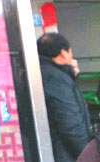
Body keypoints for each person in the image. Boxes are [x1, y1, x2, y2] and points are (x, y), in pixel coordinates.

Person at [38, 32, 91, 162]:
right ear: (63, 53)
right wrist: (89, 155)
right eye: (70, 52)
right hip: (64, 155)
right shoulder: (57, 79)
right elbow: (71, 126)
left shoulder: (41, 73)